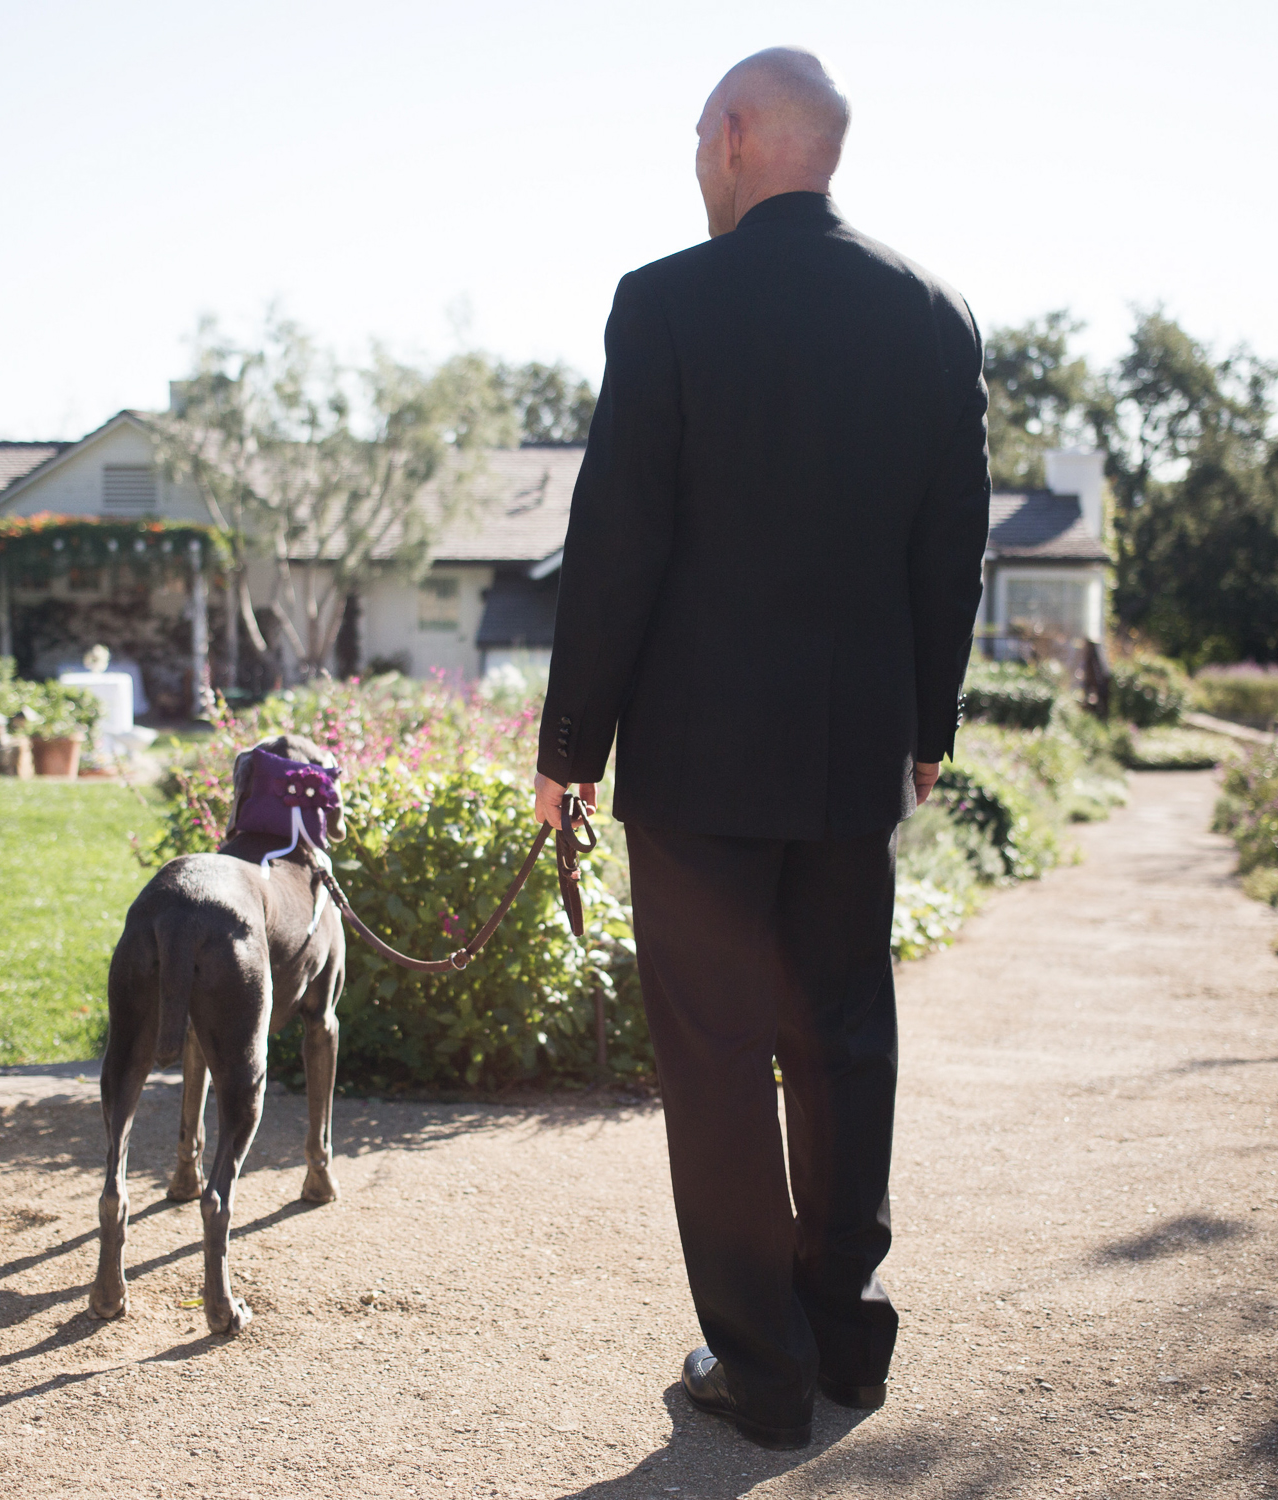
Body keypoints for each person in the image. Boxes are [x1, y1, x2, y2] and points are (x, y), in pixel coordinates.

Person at [531, 47, 991, 1451]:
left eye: (694, 135)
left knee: (720, 1059)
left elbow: (617, 545)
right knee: (845, 1038)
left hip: (697, 760)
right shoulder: (932, 312)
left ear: (737, 136)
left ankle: (760, 1367)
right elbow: (949, 547)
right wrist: (927, 729)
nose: (692, 160)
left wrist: (571, 745)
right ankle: (845, 1339)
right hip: (854, 755)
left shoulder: (666, 302)